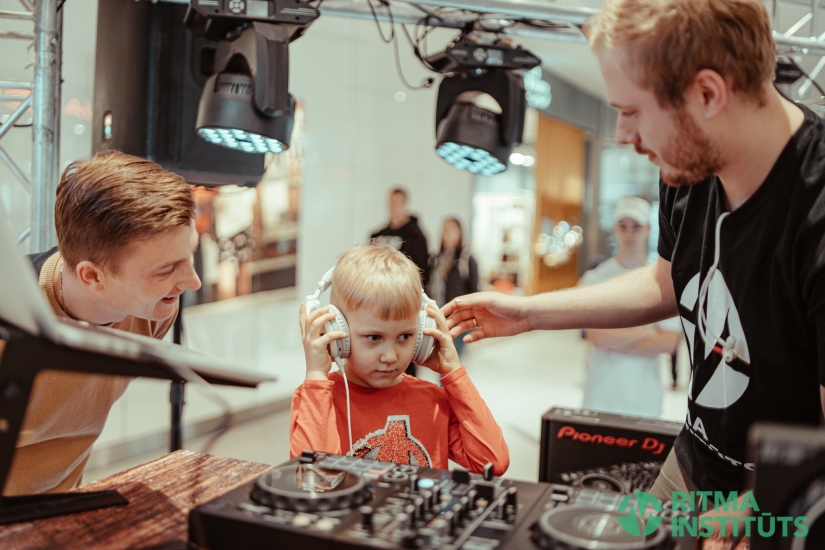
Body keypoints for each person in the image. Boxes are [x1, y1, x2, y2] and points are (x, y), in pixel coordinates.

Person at [444, 0, 819, 503]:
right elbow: (666, 282)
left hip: (786, 493)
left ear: (707, 94)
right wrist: (530, 312)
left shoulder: (815, 205)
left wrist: (752, 515)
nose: (623, 135)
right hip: (695, 460)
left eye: (631, 111)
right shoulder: (686, 167)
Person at [0, 151, 201, 495]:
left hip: (63, 507)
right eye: (166, 269)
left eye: (191, 253)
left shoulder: (152, 310)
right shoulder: (10, 323)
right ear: (92, 276)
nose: (192, 281)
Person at [290, 245, 509, 474]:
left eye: (405, 336)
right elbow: (313, 479)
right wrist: (316, 375)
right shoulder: (316, 399)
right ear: (336, 333)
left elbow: (493, 462)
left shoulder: (434, 402)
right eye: (374, 337)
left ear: (423, 334)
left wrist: (454, 373)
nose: (391, 356)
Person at [579, 197, 680, 417]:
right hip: (600, 394)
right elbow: (596, 336)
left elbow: (669, 342)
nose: (629, 233)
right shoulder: (595, 278)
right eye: (623, 226)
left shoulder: (663, 280)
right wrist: (647, 332)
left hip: (644, 398)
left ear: (648, 229)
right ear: (615, 229)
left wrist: (613, 337)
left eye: (636, 226)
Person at [427, 218, 478, 356]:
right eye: (445, 228)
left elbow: (475, 291)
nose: (447, 232)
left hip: (458, 320)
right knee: (439, 357)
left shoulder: (466, 260)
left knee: (451, 358)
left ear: (459, 233)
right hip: (437, 318)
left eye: (451, 229)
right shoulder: (435, 259)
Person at [370, 188, 430, 288]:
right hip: (379, 288)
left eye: (398, 202)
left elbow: (421, 271)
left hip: (403, 289)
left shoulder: (416, 237)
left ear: (405, 205)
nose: (394, 206)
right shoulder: (377, 235)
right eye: (392, 202)